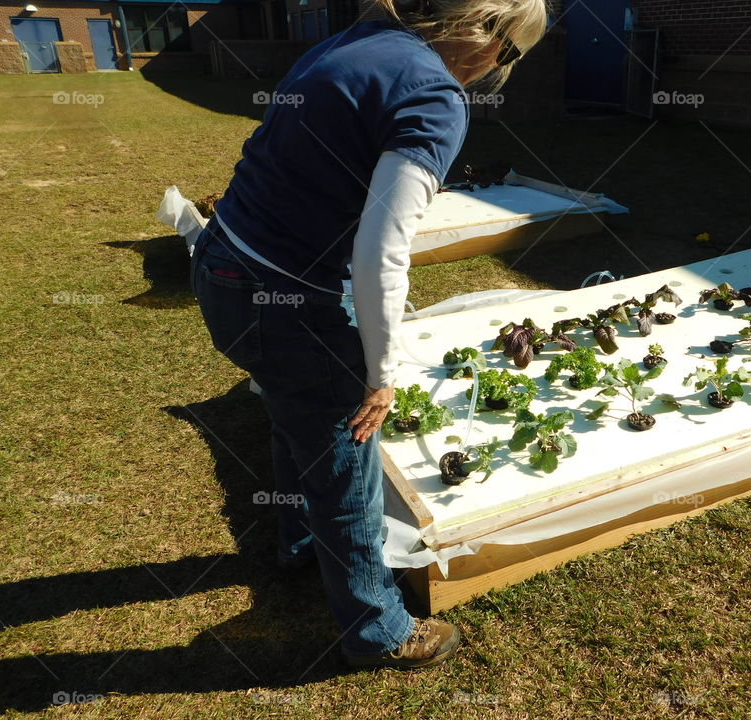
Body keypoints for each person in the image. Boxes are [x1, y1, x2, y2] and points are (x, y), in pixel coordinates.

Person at [190, 0, 549, 670]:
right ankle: (379, 631)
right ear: (488, 36)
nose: (501, 72)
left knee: (291, 405)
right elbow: (382, 251)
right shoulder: (436, 97)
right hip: (284, 296)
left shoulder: (363, 36)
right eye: (511, 56)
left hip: (222, 266)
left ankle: (297, 543)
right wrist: (379, 374)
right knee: (347, 450)